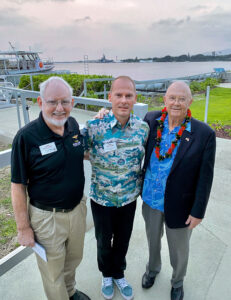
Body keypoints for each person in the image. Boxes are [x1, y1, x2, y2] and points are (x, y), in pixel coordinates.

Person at [11, 77, 90, 300]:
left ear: (72, 102)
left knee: (73, 260)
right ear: (40, 102)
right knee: (52, 273)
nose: (59, 108)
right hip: (47, 218)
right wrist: (23, 227)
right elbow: (17, 186)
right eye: (52, 102)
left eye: (65, 101)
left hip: (77, 210)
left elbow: (78, 152)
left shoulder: (73, 125)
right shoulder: (26, 137)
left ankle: (71, 291)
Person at [141, 81, 216, 300]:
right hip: (150, 198)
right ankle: (152, 269)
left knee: (179, 249)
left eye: (182, 99)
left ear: (190, 102)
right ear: (164, 99)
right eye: (172, 97)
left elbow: (206, 176)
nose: (176, 103)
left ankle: (177, 281)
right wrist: (104, 114)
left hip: (181, 204)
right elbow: (124, 124)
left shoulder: (204, 134)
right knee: (152, 240)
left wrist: (198, 211)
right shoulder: (151, 121)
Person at [83, 76, 149, 300]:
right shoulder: (94, 126)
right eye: (118, 95)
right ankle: (106, 275)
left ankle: (119, 272)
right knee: (103, 240)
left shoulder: (143, 128)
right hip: (101, 198)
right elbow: (79, 151)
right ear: (109, 98)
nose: (123, 100)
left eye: (128, 95)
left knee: (123, 238)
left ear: (135, 99)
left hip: (129, 198)